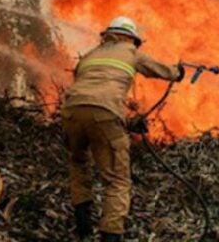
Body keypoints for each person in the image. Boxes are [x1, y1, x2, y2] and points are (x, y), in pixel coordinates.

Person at [61, 16, 184, 241]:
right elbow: (161, 71)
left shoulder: (89, 55)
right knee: (117, 180)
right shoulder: (131, 52)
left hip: (71, 112)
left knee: (78, 163)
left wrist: (126, 122)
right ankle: (111, 234)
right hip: (104, 113)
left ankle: (83, 225)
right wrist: (179, 72)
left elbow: (90, 95)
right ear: (129, 37)